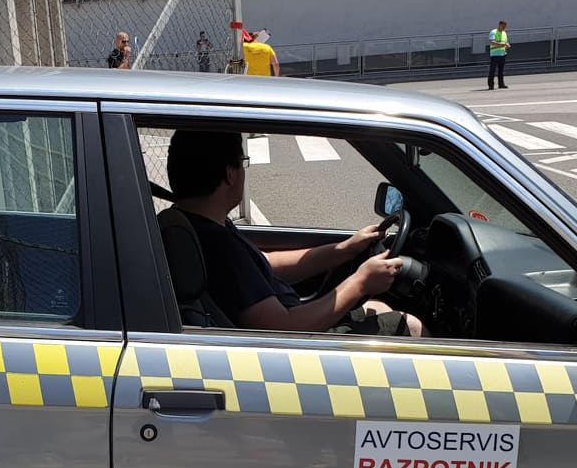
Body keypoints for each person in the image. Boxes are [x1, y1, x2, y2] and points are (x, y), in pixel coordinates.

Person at [165, 129, 424, 336]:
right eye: (243, 163)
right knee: (410, 326)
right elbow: (282, 327)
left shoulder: (201, 226)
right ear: (230, 174)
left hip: (295, 320)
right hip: (298, 343)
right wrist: (360, 282)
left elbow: (265, 265)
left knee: (378, 307)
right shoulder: (219, 246)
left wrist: (344, 249)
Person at [487, 20, 510, 90]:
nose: (504, 28)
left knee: (501, 71)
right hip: (494, 54)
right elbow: (492, 42)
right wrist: (502, 44)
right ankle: (491, 85)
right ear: (499, 25)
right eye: (503, 26)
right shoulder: (493, 32)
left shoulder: (504, 33)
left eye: (505, 27)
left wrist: (507, 45)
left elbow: (505, 42)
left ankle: (501, 84)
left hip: (503, 54)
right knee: (492, 70)